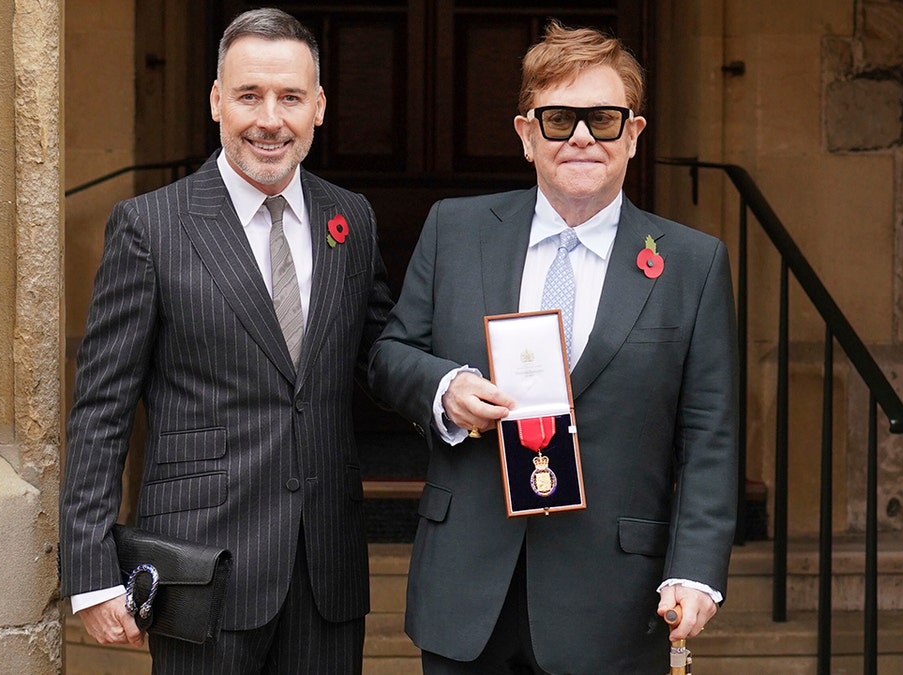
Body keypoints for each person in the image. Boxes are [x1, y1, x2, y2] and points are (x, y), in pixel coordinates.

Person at [368, 22, 737, 674]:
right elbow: (390, 354)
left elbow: (710, 437)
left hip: (613, 603)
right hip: (466, 594)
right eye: (560, 119)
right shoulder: (454, 230)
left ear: (634, 133)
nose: (583, 138)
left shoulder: (691, 263)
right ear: (526, 133)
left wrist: (697, 571)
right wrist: (445, 388)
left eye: (604, 118)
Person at [59, 8, 393, 673]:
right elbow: (101, 410)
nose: (270, 118)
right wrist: (93, 570)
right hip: (201, 575)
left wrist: (455, 385)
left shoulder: (351, 219)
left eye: (290, 97)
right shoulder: (150, 227)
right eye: (249, 95)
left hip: (326, 572)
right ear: (217, 101)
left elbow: (382, 356)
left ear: (319, 107)